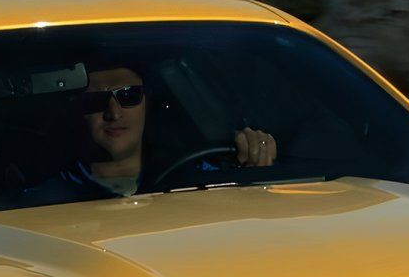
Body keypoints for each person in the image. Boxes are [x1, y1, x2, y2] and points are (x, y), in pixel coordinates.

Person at [25, 63, 278, 201]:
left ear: (148, 104)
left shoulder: (202, 177)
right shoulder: (43, 200)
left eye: (129, 96)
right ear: (77, 112)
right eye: (94, 101)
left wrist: (257, 161)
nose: (114, 113)